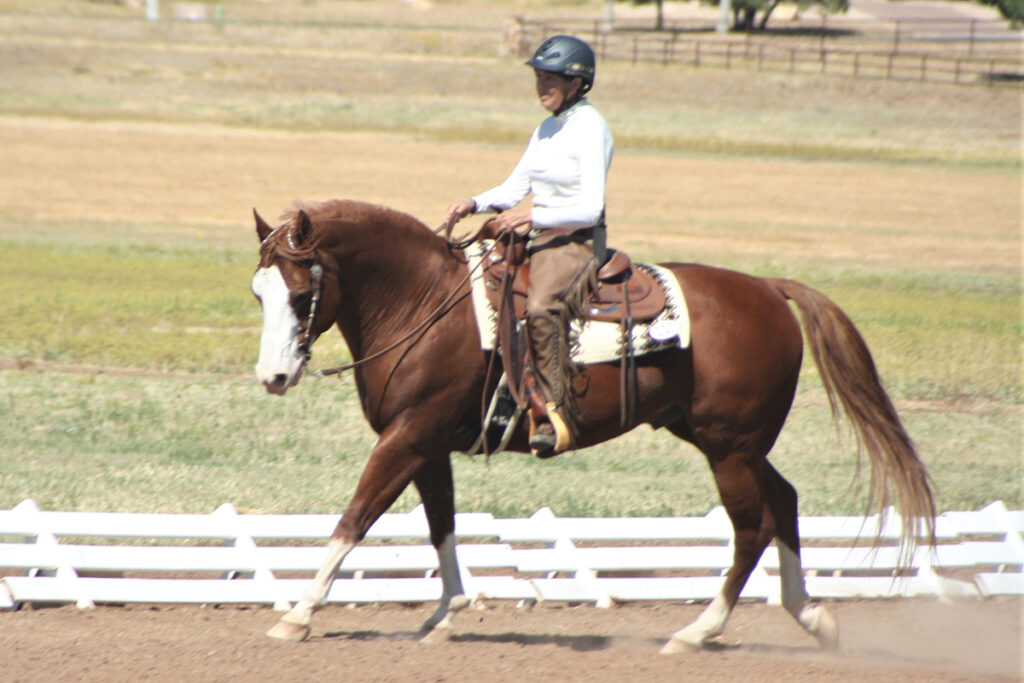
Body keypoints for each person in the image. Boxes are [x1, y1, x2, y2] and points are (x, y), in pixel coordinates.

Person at [442, 35, 614, 457]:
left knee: (539, 308)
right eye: (538, 77)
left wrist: (532, 217)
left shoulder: (592, 130)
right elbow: (514, 187)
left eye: (550, 78)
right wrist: (473, 203)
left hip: (573, 243)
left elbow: (590, 209)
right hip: (537, 236)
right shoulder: (547, 128)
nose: (541, 85)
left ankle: (552, 410)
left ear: (576, 83)